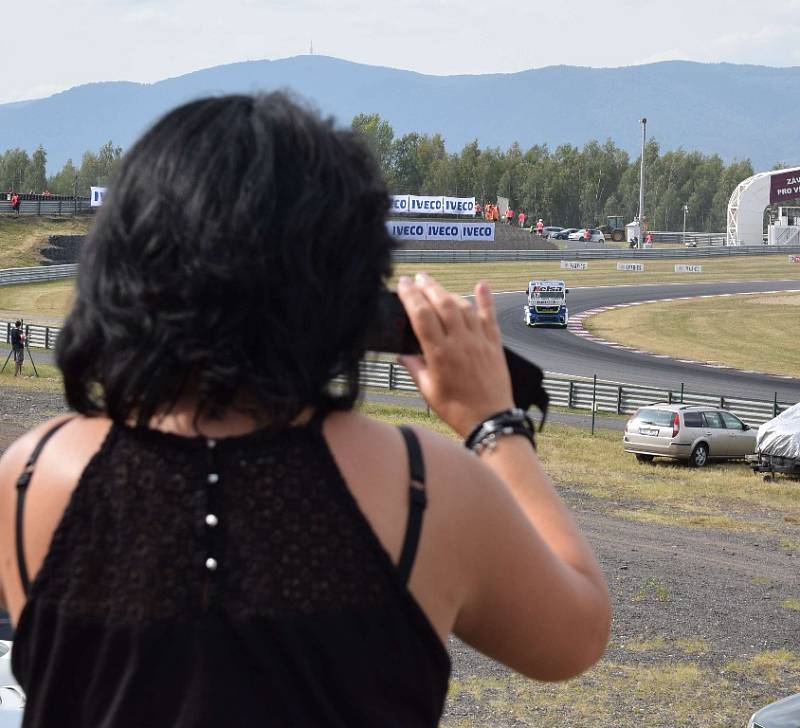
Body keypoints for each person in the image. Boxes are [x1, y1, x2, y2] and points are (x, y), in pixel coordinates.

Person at [0, 93, 609, 727]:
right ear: (351, 287)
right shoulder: (423, 487)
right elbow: (577, 634)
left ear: (120, 264)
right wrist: (495, 424)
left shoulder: (32, 474)